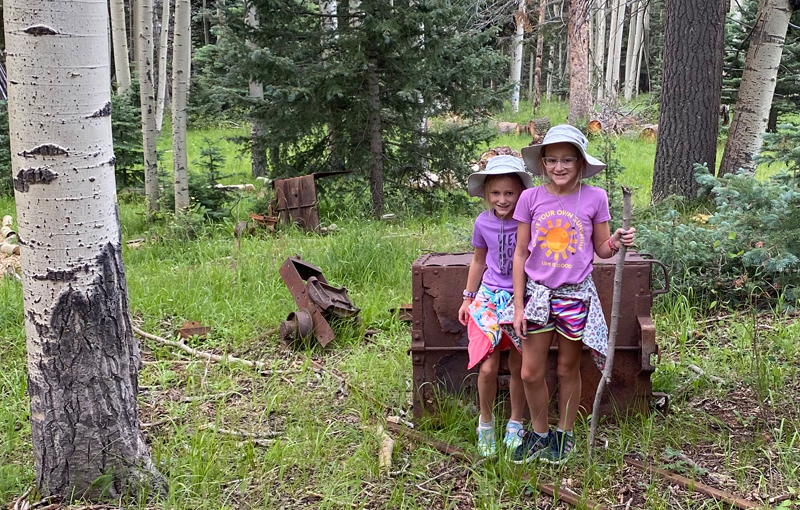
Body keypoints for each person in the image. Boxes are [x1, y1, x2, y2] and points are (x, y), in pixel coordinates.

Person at [499, 125, 636, 465]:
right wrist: (518, 306)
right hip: (537, 295)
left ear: (579, 162)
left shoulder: (595, 197)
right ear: (543, 163)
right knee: (531, 371)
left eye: (567, 160)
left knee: (566, 367)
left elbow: (602, 249)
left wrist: (618, 240)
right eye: (552, 160)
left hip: (576, 296)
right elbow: (519, 254)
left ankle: (565, 432)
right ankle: (540, 432)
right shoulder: (530, 198)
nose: (559, 167)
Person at [458, 155, 533, 458]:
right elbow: (478, 259)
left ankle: (516, 421)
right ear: (487, 194)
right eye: (495, 193)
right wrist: (467, 296)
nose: (502, 200)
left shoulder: (527, 221)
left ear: (520, 193)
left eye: (509, 193)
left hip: (521, 298)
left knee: (519, 365)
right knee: (487, 366)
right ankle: (485, 422)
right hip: (488, 296)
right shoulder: (482, 222)